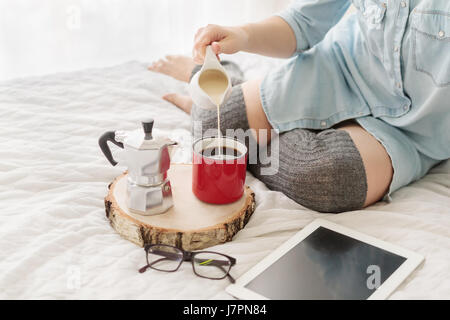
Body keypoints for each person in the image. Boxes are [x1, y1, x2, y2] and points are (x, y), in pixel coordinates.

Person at [148, 0, 450, 213]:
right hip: (335, 73)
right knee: (212, 121)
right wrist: (243, 35)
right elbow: (303, 23)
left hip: (411, 130)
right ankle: (223, 74)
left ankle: (234, 92)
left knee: (327, 179)